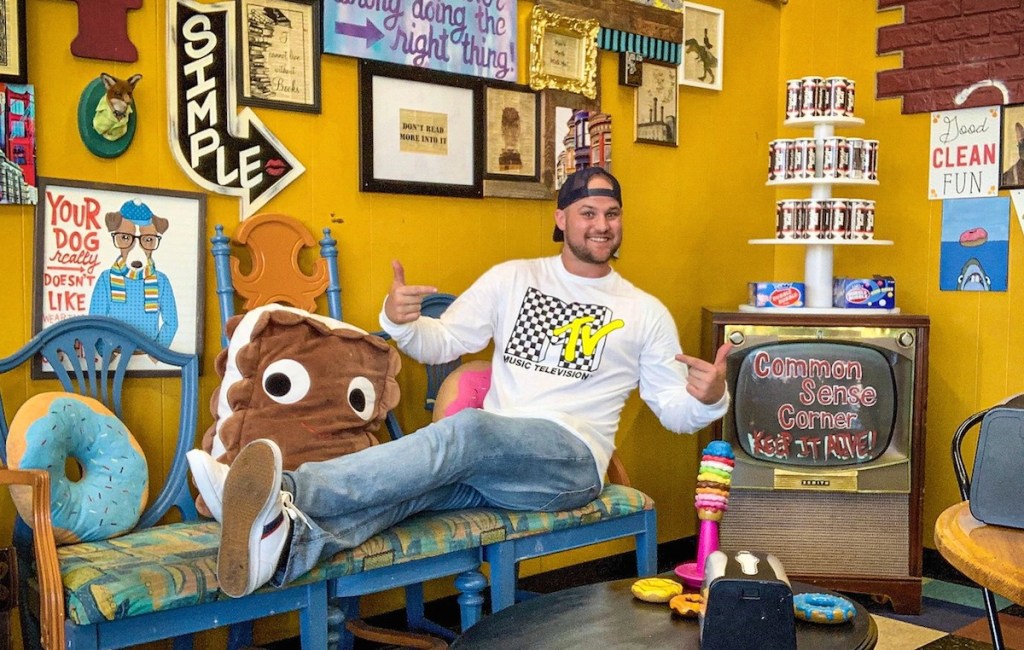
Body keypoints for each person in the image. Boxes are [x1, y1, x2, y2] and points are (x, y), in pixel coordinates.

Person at [191, 166, 732, 598]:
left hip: (570, 463)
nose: (602, 224)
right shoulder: (514, 279)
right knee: (415, 494)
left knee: (468, 429)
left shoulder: (644, 312)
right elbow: (441, 343)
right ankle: (286, 547)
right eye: (588, 211)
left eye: (612, 214)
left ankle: (281, 490)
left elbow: (673, 410)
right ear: (562, 218)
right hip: (495, 459)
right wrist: (399, 320)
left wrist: (708, 398)